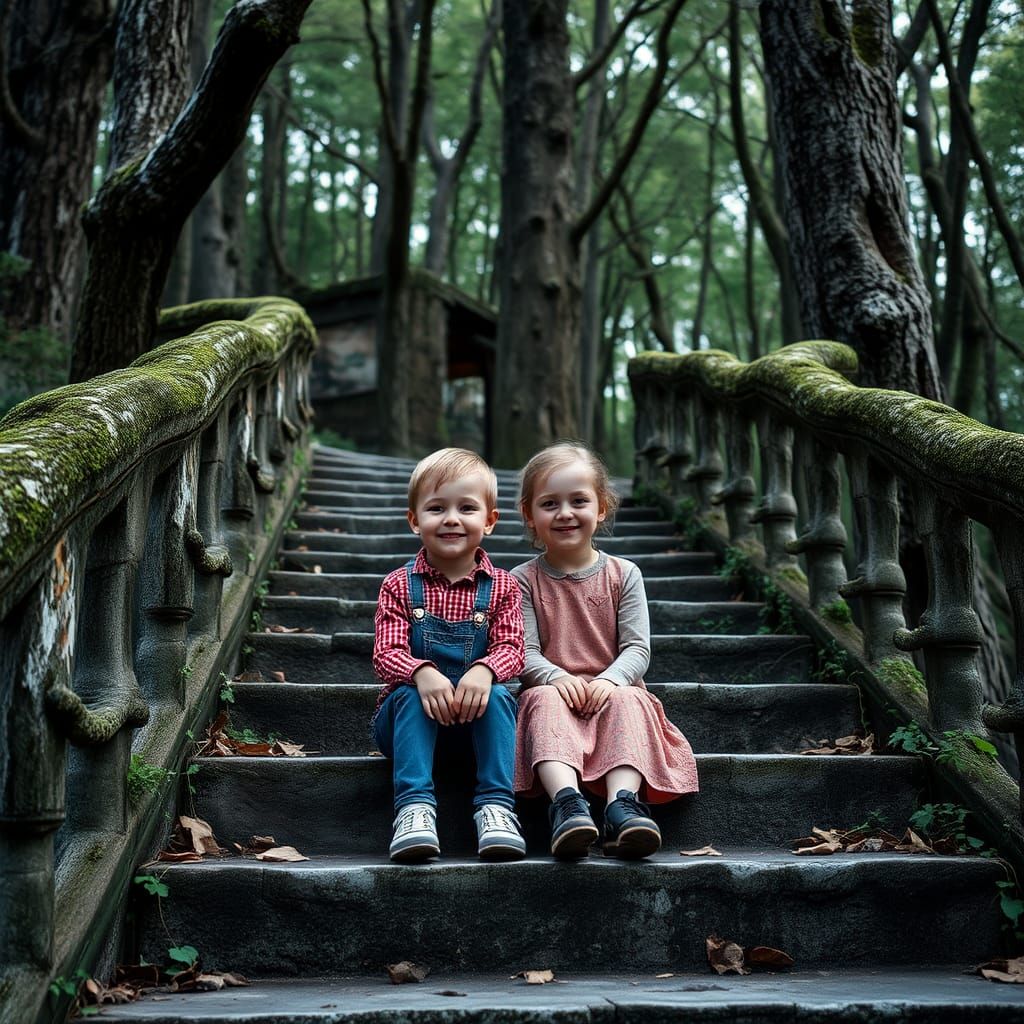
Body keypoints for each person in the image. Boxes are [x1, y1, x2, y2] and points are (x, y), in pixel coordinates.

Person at [513, 442, 699, 859]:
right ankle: (567, 805)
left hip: (611, 690)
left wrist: (610, 679)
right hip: (555, 694)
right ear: (529, 515)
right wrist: (556, 677)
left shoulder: (623, 574)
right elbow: (522, 651)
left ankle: (623, 807)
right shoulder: (521, 580)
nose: (565, 512)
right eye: (549, 503)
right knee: (538, 699)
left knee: (632, 697)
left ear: (601, 508)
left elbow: (636, 648)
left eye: (579, 500)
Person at [372, 448, 527, 863]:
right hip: (410, 728)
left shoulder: (504, 587)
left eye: (467, 508)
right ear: (414, 519)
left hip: (475, 729)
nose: (452, 518)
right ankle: (414, 809)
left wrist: (485, 669)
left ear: (490, 521)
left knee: (499, 696)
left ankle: (496, 808)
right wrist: (421, 672)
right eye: (436, 508)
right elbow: (386, 653)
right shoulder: (398, 585)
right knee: (406, 695)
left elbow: (513, 649)